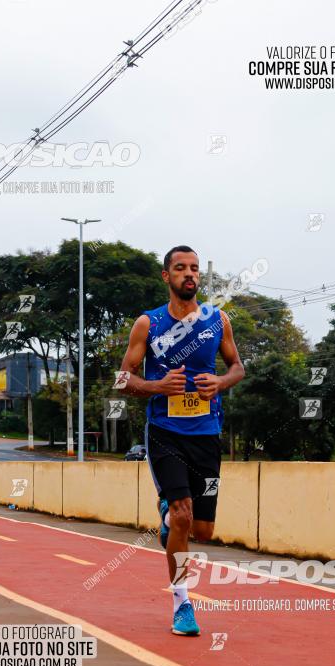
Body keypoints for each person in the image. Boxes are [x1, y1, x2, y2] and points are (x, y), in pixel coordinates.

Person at [119, 245, 245, 636]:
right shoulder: (148, 324)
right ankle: (182, 605)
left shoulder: (217, 320)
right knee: (183, 515)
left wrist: (221, 382)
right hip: (165, 434)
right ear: (166, 276)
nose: (189, 274)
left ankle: (167, 519)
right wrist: (156, 385)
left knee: (203, 531)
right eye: (180, 268)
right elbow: (123, 378)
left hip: (206, 435)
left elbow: (237, 367)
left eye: (193, 268)